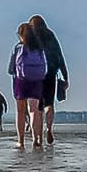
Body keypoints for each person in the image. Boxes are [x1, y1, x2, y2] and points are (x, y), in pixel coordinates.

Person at [29, 16, 69, 144]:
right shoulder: (50, 35)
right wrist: (65, 76)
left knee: (37, 108)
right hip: (51, 74)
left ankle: (38, 138)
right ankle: (49, 129)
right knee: (49, 105)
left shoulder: (31, 37)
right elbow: (60, 55)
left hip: (35, 75)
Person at [9, 21, 47, 148]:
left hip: (21, 80)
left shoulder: (18, 47)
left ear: (21, 35)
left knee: (20, 111)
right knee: (34, 110)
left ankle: (20, 141)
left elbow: (11, 68)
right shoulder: (39, 47)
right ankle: (36, 138)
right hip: (37, 80)